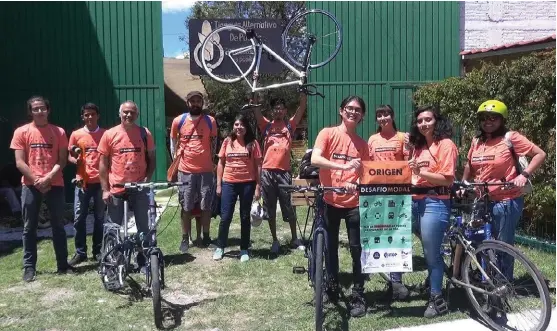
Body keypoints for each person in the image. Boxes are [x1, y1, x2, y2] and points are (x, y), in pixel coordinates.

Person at [462, 100, 546, 280]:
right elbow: (469, 164)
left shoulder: (510, 138)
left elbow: (540, 154)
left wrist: (524, 175)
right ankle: (486, 278)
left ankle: (503, 284)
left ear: (502, 120)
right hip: (482, 199)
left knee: (503, 244)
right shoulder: (477, 141)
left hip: (506, 199)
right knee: (481, 241)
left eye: (493, 118)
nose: (488, 121)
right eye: (484, 118)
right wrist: (464, 183)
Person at [391, 105, 458, 318]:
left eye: (428, 120)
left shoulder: (446, 145)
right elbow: (413, 175)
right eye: (419, 121)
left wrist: (422, 172)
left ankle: (436, 298)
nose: (423, 124)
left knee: (431, 254)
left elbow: (447, 179)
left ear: (437, 122)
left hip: (434, 202)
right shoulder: (418, 147)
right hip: (414, 201)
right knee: (396, 239)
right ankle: (396, 284)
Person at [310, 95, 370, 318]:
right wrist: (343, 167)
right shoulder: (327, 133)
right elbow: (315, 159)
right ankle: (332, 287)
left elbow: (366, 175)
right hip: (329, 201)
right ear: (341, 110)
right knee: (330, 247)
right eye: (349, 108)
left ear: (362, 115)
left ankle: (358, 293)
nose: (352, 112)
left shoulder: (363, 145)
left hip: (354, 204)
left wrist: (356, 182)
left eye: (357, 109)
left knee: (356, 250)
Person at [10, 96, 73, 282]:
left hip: (55, 183)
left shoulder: (59, 132)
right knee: (29, 227)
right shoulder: (21, 132)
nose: (39, 112)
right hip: (30, 185)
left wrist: (48, 178)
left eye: (42, 108)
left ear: (48, 110)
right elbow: (20, 162)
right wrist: (36, 179)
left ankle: (63, 265)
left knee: (58, 226)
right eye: (35, 109)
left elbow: (62, 160)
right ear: (30, 112)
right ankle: (29, 267)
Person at [98, 101, 156, 270]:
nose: (128, 115)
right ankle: (113, 260)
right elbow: (102, 164)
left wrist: (147, 178)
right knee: (114, 227)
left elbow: (152, 158)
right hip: (117, 188)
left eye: (132, 112)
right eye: (125, 112)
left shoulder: (145, 134)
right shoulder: (110, 135)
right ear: (120, 114)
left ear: (137, 115)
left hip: (138, 188)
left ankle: (143, 259)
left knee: (143, 226)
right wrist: (105, 189)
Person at [252, 93, 307, 253]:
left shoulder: (290, 125)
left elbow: (302, 107)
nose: (278, 111)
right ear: (272, 111)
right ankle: (275, 240)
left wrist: (302, 91)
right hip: (268, 172)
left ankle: (294, 238)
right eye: (276, 109)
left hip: (284, 173)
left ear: (285, 111)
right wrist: (254, 93)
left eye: (281, 109)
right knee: (269, 207)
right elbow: (256, 110)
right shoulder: (266, 125)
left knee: (290, 206)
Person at [367, 104, 412, 300]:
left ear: (392, 116)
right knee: (379, 234)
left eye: (386, 114)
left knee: (397, 235)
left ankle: (397, 281)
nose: (382, 118)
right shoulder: (372, 139)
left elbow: (409, 163)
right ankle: (382, 271)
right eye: (379, 115)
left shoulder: (403, 137)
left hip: (399, 193)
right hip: (376, 193)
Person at [169, 91, 218, 252]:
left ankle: (206, 236)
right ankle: (185, 238)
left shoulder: (210, 121)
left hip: (205, 171)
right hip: (186, 170)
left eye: (198, 101)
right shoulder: (179, 121)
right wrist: (175, 159)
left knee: (206, 206)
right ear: (187, 103)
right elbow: (173, 141)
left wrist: (211, 160)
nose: (195, 104)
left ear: (202, 103)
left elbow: (214, 142)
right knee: (186, 206)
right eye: (192, 101)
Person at [213, 114, 262, 262]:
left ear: (246, 127)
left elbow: (258, 165)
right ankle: (220, 247)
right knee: (226, 217)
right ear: (233, 127)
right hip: (229, 183)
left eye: (242, 125)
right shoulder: (227, 142)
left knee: (245, 217)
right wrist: (219, 184)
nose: (238, 127)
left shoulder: (253, 144)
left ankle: (244, 249)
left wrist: (258, 186)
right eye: (236, 124)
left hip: (247, 183)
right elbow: (221, 163)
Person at [67, 103, 107, 266]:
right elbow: (69, 155)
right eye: (86, 115)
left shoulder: (106, 134)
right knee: (78, 218)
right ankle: (80, 252)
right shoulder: (76, 134)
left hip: (100, 181)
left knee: (99, 218)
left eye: (92, 114)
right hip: (82, 181)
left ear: (98, 115)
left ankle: (97, 251)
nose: (89, 117)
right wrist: (74, 160)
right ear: (82, 117)